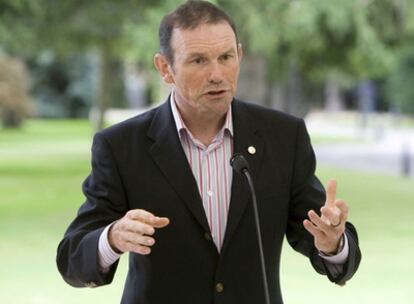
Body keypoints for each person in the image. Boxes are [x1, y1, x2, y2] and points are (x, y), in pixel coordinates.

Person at [56, 1, 361, 303]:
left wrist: (333, 243)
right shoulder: (121, 146)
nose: (217, 74)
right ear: (165, 68)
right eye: (198, 61)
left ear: (239, 56)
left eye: (226, 57)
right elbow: (72, 258)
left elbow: (321, 237)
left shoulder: (283, 136)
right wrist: (112, 238)